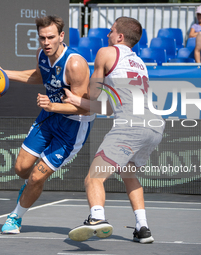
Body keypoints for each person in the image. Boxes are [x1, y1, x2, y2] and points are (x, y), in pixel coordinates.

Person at [0, 15, 94, 234]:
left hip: (73, 126)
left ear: (61, 36)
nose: (46, 42)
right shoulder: (41, 55)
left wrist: (53, 106)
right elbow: (39, 75)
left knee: (37, 175)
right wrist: (4, 74)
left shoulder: (75, 64)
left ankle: (16, 217)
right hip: (48, 116)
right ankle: (31, 187)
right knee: (21, 169)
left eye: (51, 37)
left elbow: (86, 107)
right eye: (42, 38)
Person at [63, 17, 165, 244]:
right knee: (129, 173)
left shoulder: (106, 52)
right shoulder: (139, 63)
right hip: (154, 126)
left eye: (110, 31)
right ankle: (143, 227)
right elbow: (107, 107)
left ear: (119, 37)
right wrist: (78, 101)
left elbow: (94, 94)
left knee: (93, 178)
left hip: (130, 126)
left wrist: (75, 96)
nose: (107, 35)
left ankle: (97, 218)